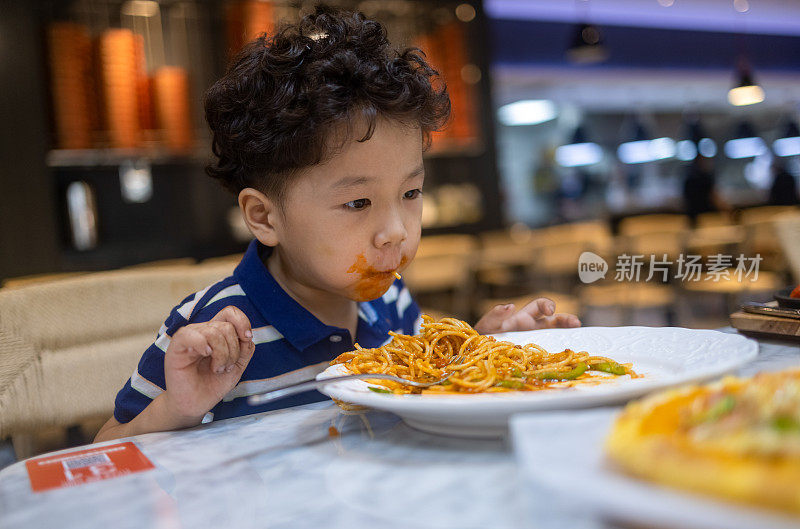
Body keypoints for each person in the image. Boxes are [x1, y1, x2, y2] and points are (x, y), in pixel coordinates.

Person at [94, 6, 580, 443]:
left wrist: (477, 351)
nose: (396, 230)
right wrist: (178, 408)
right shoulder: (213, 327)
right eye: (357, 202)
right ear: (265, 217)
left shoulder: (390, 300)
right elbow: (106, 449)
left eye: (410, 193)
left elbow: (420, 394)